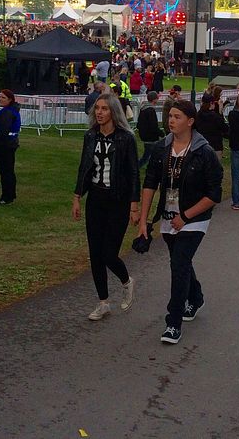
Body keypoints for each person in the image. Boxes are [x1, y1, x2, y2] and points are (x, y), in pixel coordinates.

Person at [139, 99, 222, 345]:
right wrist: (143, 220)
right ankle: (195, 297)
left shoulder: (203, 152)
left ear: (190, 121)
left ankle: (173, 323)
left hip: (194, 219)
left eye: (177, 116)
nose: (171, 121)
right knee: (181, 262)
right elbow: (150, 184)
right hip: (168, 216)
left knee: (178, 265)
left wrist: (185, 217)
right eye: (170, 116)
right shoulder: (162, 148)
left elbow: (213, 195)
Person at [73, 93, 140, 321]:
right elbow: (84, 167)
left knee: (108, 253)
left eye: (104, 109)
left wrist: (134, 204)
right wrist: (77, 196)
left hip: (118, 200)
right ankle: (103, 302)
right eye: (97, 109)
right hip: (96, 200)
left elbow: (133, 172)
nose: (99, 113)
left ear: (113, 112)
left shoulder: (125, 138)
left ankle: (126, 281)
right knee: (95, 254)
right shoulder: (90, 136)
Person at [0, 89, 22, 205]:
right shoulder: (10, 111)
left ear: (10, 100)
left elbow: (3, 131)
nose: (0, 99)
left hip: (3, 147)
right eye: (0, 97)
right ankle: (10, 195)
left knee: (5, 172)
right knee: (8, 171)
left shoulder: (7, 113)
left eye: (3, 97)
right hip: (9, 145)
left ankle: (6, 197)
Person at [195, 94, 228, 159]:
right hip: (215, 145)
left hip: (202, 144)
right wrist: (220, 112)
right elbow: (224, 128)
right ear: (211, 103)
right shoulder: (215, 116)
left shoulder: (198, 115)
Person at [137, 90, 163, 168]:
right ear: (154, 99)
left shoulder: (143, 109)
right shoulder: (151, 110)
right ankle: (137, 166)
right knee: (148, 155)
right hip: (150, 136)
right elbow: (153, 126)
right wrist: (160, 133)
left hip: (144, 135)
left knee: (148, 154)